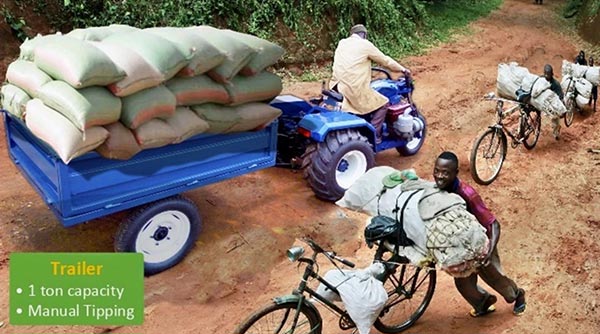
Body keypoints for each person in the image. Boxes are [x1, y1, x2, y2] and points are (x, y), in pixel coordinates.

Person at [433, 151, 526, 317]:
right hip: (461, 247)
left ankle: (518, 295)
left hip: (482, 244)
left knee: (496, 278)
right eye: (437, 171)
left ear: (455, 173)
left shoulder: (467, 194)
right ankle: (483, 303)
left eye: (445, 173)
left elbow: (494, 224)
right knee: (463, 284)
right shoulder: (437, 190)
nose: (440, 176)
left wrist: (489, 253)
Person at [330, 24, 410, 144]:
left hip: (335, 86)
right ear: (364, 35)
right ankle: (374, 135)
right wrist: (403, 70)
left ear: (352, 34)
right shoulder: (365, 44)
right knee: (384, 103)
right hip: (353, 88)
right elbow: (386, 61)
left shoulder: (342, 43)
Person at [543, 64, 564, 140]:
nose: (547, 76)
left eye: (548, 74)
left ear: (552, 74)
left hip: (553, 104)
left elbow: (560, 96)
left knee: (555, 120)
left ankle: (556, 133)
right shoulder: (541, 80)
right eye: (545, 74)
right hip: (543, 102)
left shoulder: (556, 84)